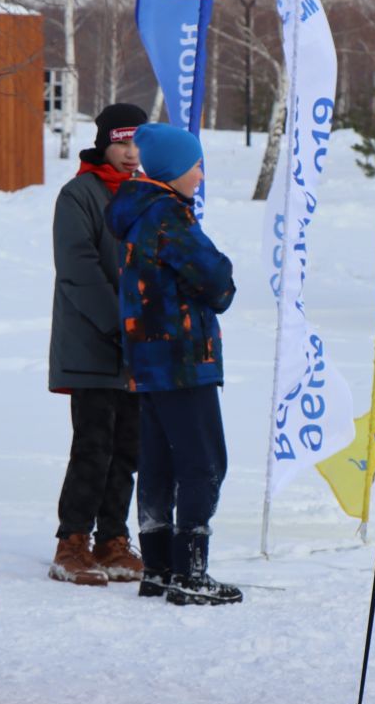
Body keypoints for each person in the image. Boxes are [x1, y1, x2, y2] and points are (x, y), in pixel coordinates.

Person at [108, 123, 240, 606]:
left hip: (147, 363)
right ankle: (190, 573)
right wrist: (222, 272)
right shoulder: (169, 217)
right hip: (184, 360)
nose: (201, 175)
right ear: (172, 171)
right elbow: (218, 282)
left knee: (160, 464)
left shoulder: (137, 213)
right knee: (204, 463)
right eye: (196, 166)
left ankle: (160, 567)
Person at [48, 102, 147, 587]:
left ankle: (113, 539)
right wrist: (120, 324)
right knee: (94, 445)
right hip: (93, 344)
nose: (131, 153)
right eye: (123, 143)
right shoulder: (78, 195)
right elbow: (78, 268)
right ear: (105, 142)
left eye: (137, 145)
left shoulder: (145, 194)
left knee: (128, 447)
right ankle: (73, 541)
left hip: (138, 347)